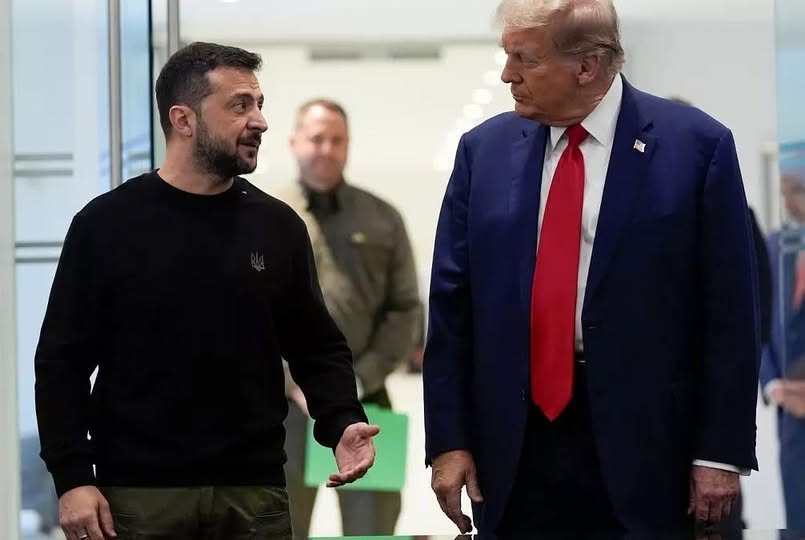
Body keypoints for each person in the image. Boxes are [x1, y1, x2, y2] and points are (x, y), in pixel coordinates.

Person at [423, 0, 760, 534]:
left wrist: (720, 452)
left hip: (649, 450)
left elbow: (731, 315)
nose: (508, 74)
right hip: (514, 447)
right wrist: (448, 440)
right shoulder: (483, 152)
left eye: (525, 59)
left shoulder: (695, 147)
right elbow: (451, 308)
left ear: (587, 65)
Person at [34, 42, 378, 540]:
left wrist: (341, 420)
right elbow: (61, 364)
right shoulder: (106, 225)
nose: (260, 121)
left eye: (259, 104)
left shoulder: (278, 227)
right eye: (240, 105)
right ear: (184, 119)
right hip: (137, 497)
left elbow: (316, 346)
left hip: (254, 495)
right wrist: (72, 479)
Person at [276, 99, 421, 537]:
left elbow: (405, 309)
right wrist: (293, 381)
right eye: (316, 138)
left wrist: (358, 379)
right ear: (294, 142)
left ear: (348, 146)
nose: (326, 149)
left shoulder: (382, 218)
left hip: (367, 403)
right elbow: (244, 314)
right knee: (277, 526)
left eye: (336, 140)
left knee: (372, 528)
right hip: (279, 408)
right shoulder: (266, 217)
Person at [760, 172, 805, 531]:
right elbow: (757, 321)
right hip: (791, 412)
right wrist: (773, 383)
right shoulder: (773, 247)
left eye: (798, 191)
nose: (790, 202)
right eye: (785, 192)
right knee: (797, 516)